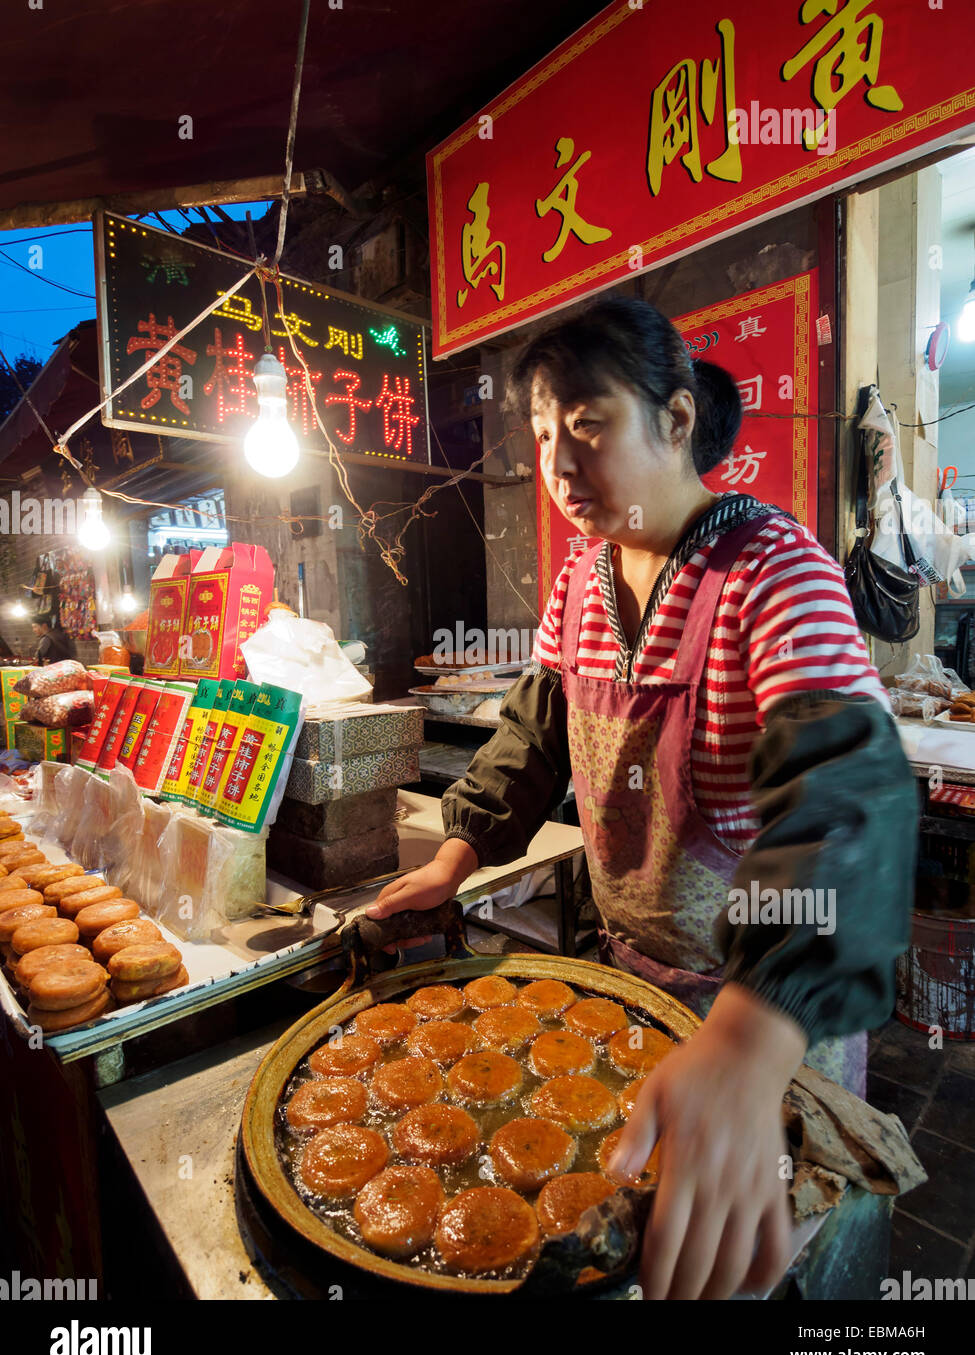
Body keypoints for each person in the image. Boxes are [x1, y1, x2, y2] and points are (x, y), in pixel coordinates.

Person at [366, 298, 917, 1299]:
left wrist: (751, 1040)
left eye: (586, 425)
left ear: (672, 419)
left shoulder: (774, 570)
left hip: (768, 1014)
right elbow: (535, 734)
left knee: (756, 1276)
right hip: (629, 994)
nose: (560, 465)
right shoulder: (579, 579)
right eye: (541, 435)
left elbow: (850, 792)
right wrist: (452, 860)